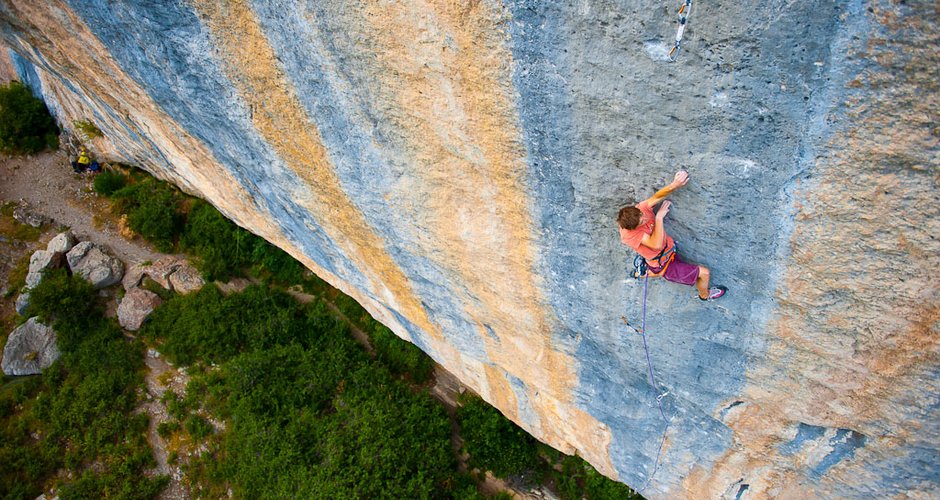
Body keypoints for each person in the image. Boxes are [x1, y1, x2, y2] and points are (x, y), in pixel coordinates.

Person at [617, 170, 727, 301]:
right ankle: (705, 296)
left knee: (655, 269)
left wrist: (675, 184)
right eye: (642, 222)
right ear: (634, 228)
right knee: (704, 273)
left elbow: (657, 197)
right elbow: (656, 244)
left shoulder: (639, 211)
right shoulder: (629, 235)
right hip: (664, 264)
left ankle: (640, 272)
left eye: (642, 215)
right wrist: (658, 218)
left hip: (668, 252)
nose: (645, 217)